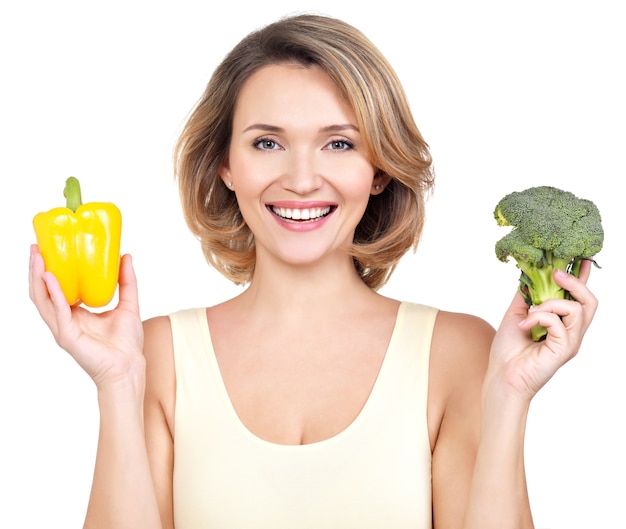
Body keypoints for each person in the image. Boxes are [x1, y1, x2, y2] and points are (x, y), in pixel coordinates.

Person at [29, 13, 598, 529]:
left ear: (378, 169)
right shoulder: (156, 356)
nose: (302, 179)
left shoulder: (459, 351)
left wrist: (509, 399)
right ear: (226, 164)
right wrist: (117, 383)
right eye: (268, 142)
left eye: (339, 144)